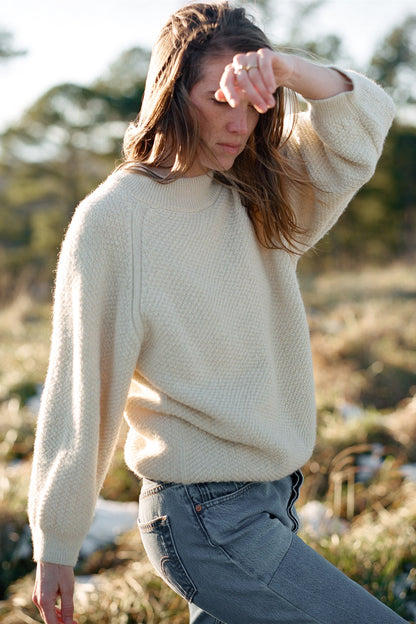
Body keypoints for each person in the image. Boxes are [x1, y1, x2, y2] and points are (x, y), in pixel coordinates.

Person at [28, 2, 403, 623]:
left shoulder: (263, 191)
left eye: (254, 103)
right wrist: (56, 541)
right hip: (206, 518)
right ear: (172, 96)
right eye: (217, 99)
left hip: (273, 501)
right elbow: (80, 389)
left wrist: (285, 69)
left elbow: (362, 126)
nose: (239, 123)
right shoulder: (119, 218)